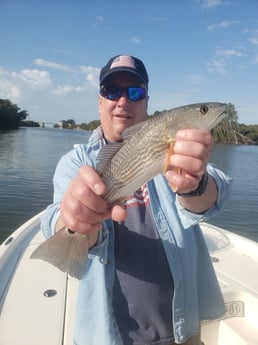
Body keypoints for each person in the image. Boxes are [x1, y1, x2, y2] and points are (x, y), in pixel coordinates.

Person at [41, 55, 232, 345]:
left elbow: (216, 189)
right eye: (111, 91)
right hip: (107, 336)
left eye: (134, 92)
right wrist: (72, 223)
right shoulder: (77, 161)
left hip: (184, 331)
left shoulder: (181, 152)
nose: (122, 101)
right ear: (99, 100)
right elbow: (55, 215)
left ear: (146, 100)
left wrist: (195, 183)